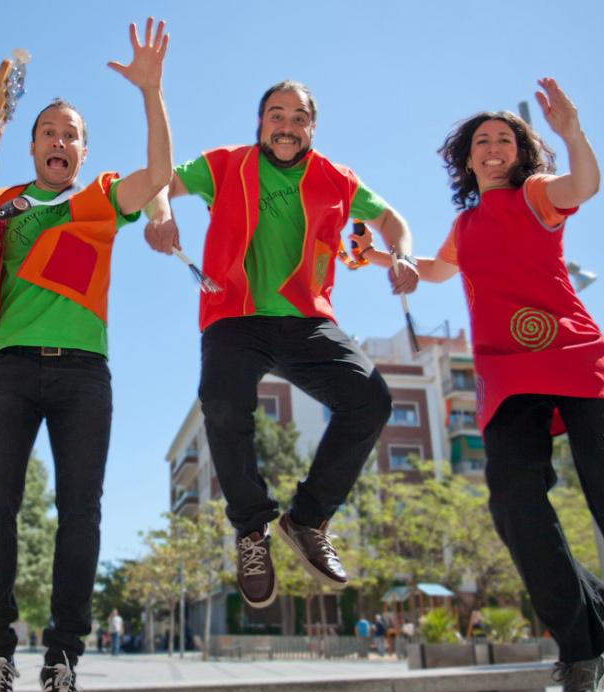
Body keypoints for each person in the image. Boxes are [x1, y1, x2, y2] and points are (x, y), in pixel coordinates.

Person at [394, 78, 604, 692]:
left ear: (522, 152)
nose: (493, 146)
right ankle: (583, 645)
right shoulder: (465, 223)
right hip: (507, 375)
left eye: (505, 138)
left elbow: (582, 185)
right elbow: (436, 268)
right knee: (512, 501)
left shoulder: (535, 194)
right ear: (467, 157)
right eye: (482, 140)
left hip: (576, 359)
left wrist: (573, 135)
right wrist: (386, 261)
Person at [0, 18, 172, 692]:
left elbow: (160, 173)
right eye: (48, 131)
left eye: (71, 133)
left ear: (82, 150)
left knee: (82, 513)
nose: (59, 141)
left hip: (83, 373)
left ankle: (64, 656)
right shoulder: (1, 203)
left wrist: (151, 92)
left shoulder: (100, 198)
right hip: (8, 367)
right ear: (32, 143)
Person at [143, 79, 416, 608]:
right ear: (261, 122)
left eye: (298, 117)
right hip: (234, 313)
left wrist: (401, 254)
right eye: (276, 114)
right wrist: (162, 214)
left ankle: (308, 519)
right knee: (222, 401)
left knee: (372, 399)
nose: (286, 125)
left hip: (306, 319)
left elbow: (391, 221)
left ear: (312, 127)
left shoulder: (335, 177)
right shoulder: (225, 164)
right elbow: (161, 182)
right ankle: (251, 530)